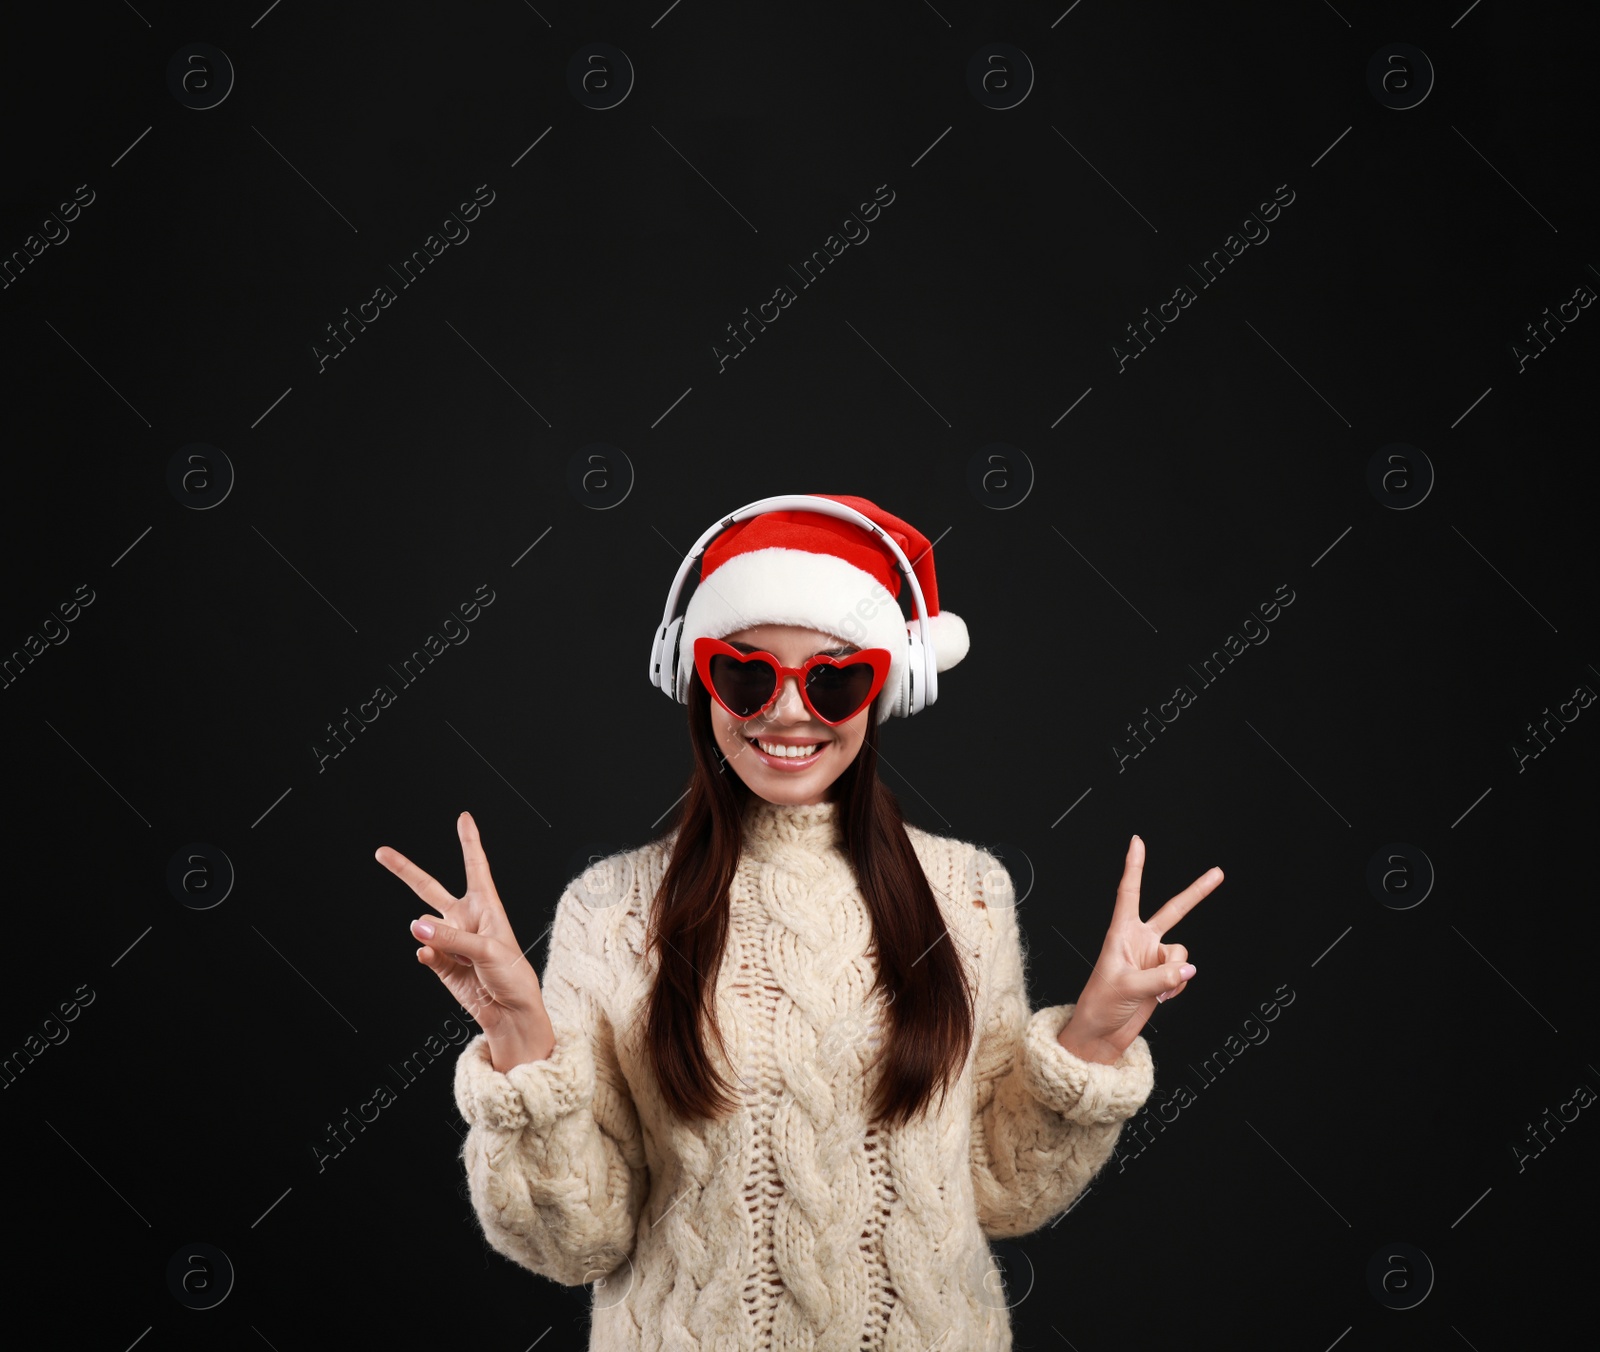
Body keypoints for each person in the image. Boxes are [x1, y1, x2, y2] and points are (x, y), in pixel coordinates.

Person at [374, 493, 1221, 1350]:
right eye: (744, 672)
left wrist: (1093, 1040)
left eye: (834, 677)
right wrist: (521, 1038)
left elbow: (1001, 1190)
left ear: (884, 688)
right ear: (695, 678)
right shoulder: (609, 908)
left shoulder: (966, 893)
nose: (786, 711)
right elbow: (577, 1243)